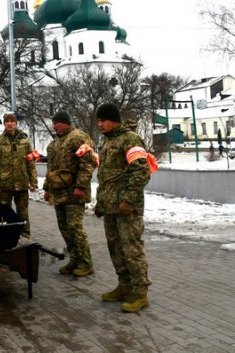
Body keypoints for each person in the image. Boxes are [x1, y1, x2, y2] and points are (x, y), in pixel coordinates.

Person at [94, 103, 152, 313]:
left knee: (132, 250)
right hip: (111, 207)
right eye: (99, 121)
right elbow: (106, 178)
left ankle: (140, 293)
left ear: (115, 120)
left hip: (127, 209)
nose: (100, 124)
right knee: (116, 249)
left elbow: (141, 172)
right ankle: (125, 285)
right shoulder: (108, 141)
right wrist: (101, 203)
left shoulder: (130, 139)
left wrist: (128, 200)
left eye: (104, 120)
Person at [43, 111, 97, 278]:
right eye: (53, 123)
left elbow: (88, 163)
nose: (54, 126)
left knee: (75, 227)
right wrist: (46, 188)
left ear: (65, 123)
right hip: (59, 194)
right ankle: (74, 259)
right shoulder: (54, 144)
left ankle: (86, 263)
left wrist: (81, 186)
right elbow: (50, 169)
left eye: (56, 123)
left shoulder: (78, 137)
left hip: (74, 192)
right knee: (65, 228)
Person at [0, 113, 38, 238]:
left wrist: (33, 181)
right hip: (4, 185)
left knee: (23, 214)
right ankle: (6, 237)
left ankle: (25, 237)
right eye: (7, 121)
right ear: (4, 124)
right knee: (4, 213)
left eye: (12, 121)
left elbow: (30, 162)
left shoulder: (24, 141)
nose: (10, 123)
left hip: (21, 184)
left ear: (16, 123)